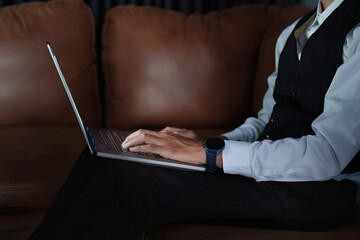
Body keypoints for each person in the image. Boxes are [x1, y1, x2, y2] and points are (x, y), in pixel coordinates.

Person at [30, 0, 360, 239]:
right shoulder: (291, 33)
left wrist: (211, 155)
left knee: (127, 183)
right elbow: (265, 121)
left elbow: (328, 155)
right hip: (268, 173)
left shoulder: (356, 32)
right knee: (102, 156)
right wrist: (205, 145)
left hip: (321, 193)